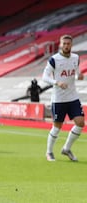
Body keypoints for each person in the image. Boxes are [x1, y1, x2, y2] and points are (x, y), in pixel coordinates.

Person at [42, 34, 84, 162]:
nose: (66, 46)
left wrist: (79, 77)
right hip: (58, 99)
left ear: (71, 45)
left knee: (80, 123)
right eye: (64, 43)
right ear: (60, 44)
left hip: (73, 97)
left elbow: (75, 74)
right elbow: (45, 77)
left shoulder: (76, 58)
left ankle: (66, 148)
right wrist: (57, 82)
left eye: (68, 44)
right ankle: (49, 152)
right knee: (57, 127)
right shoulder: (54, 59)